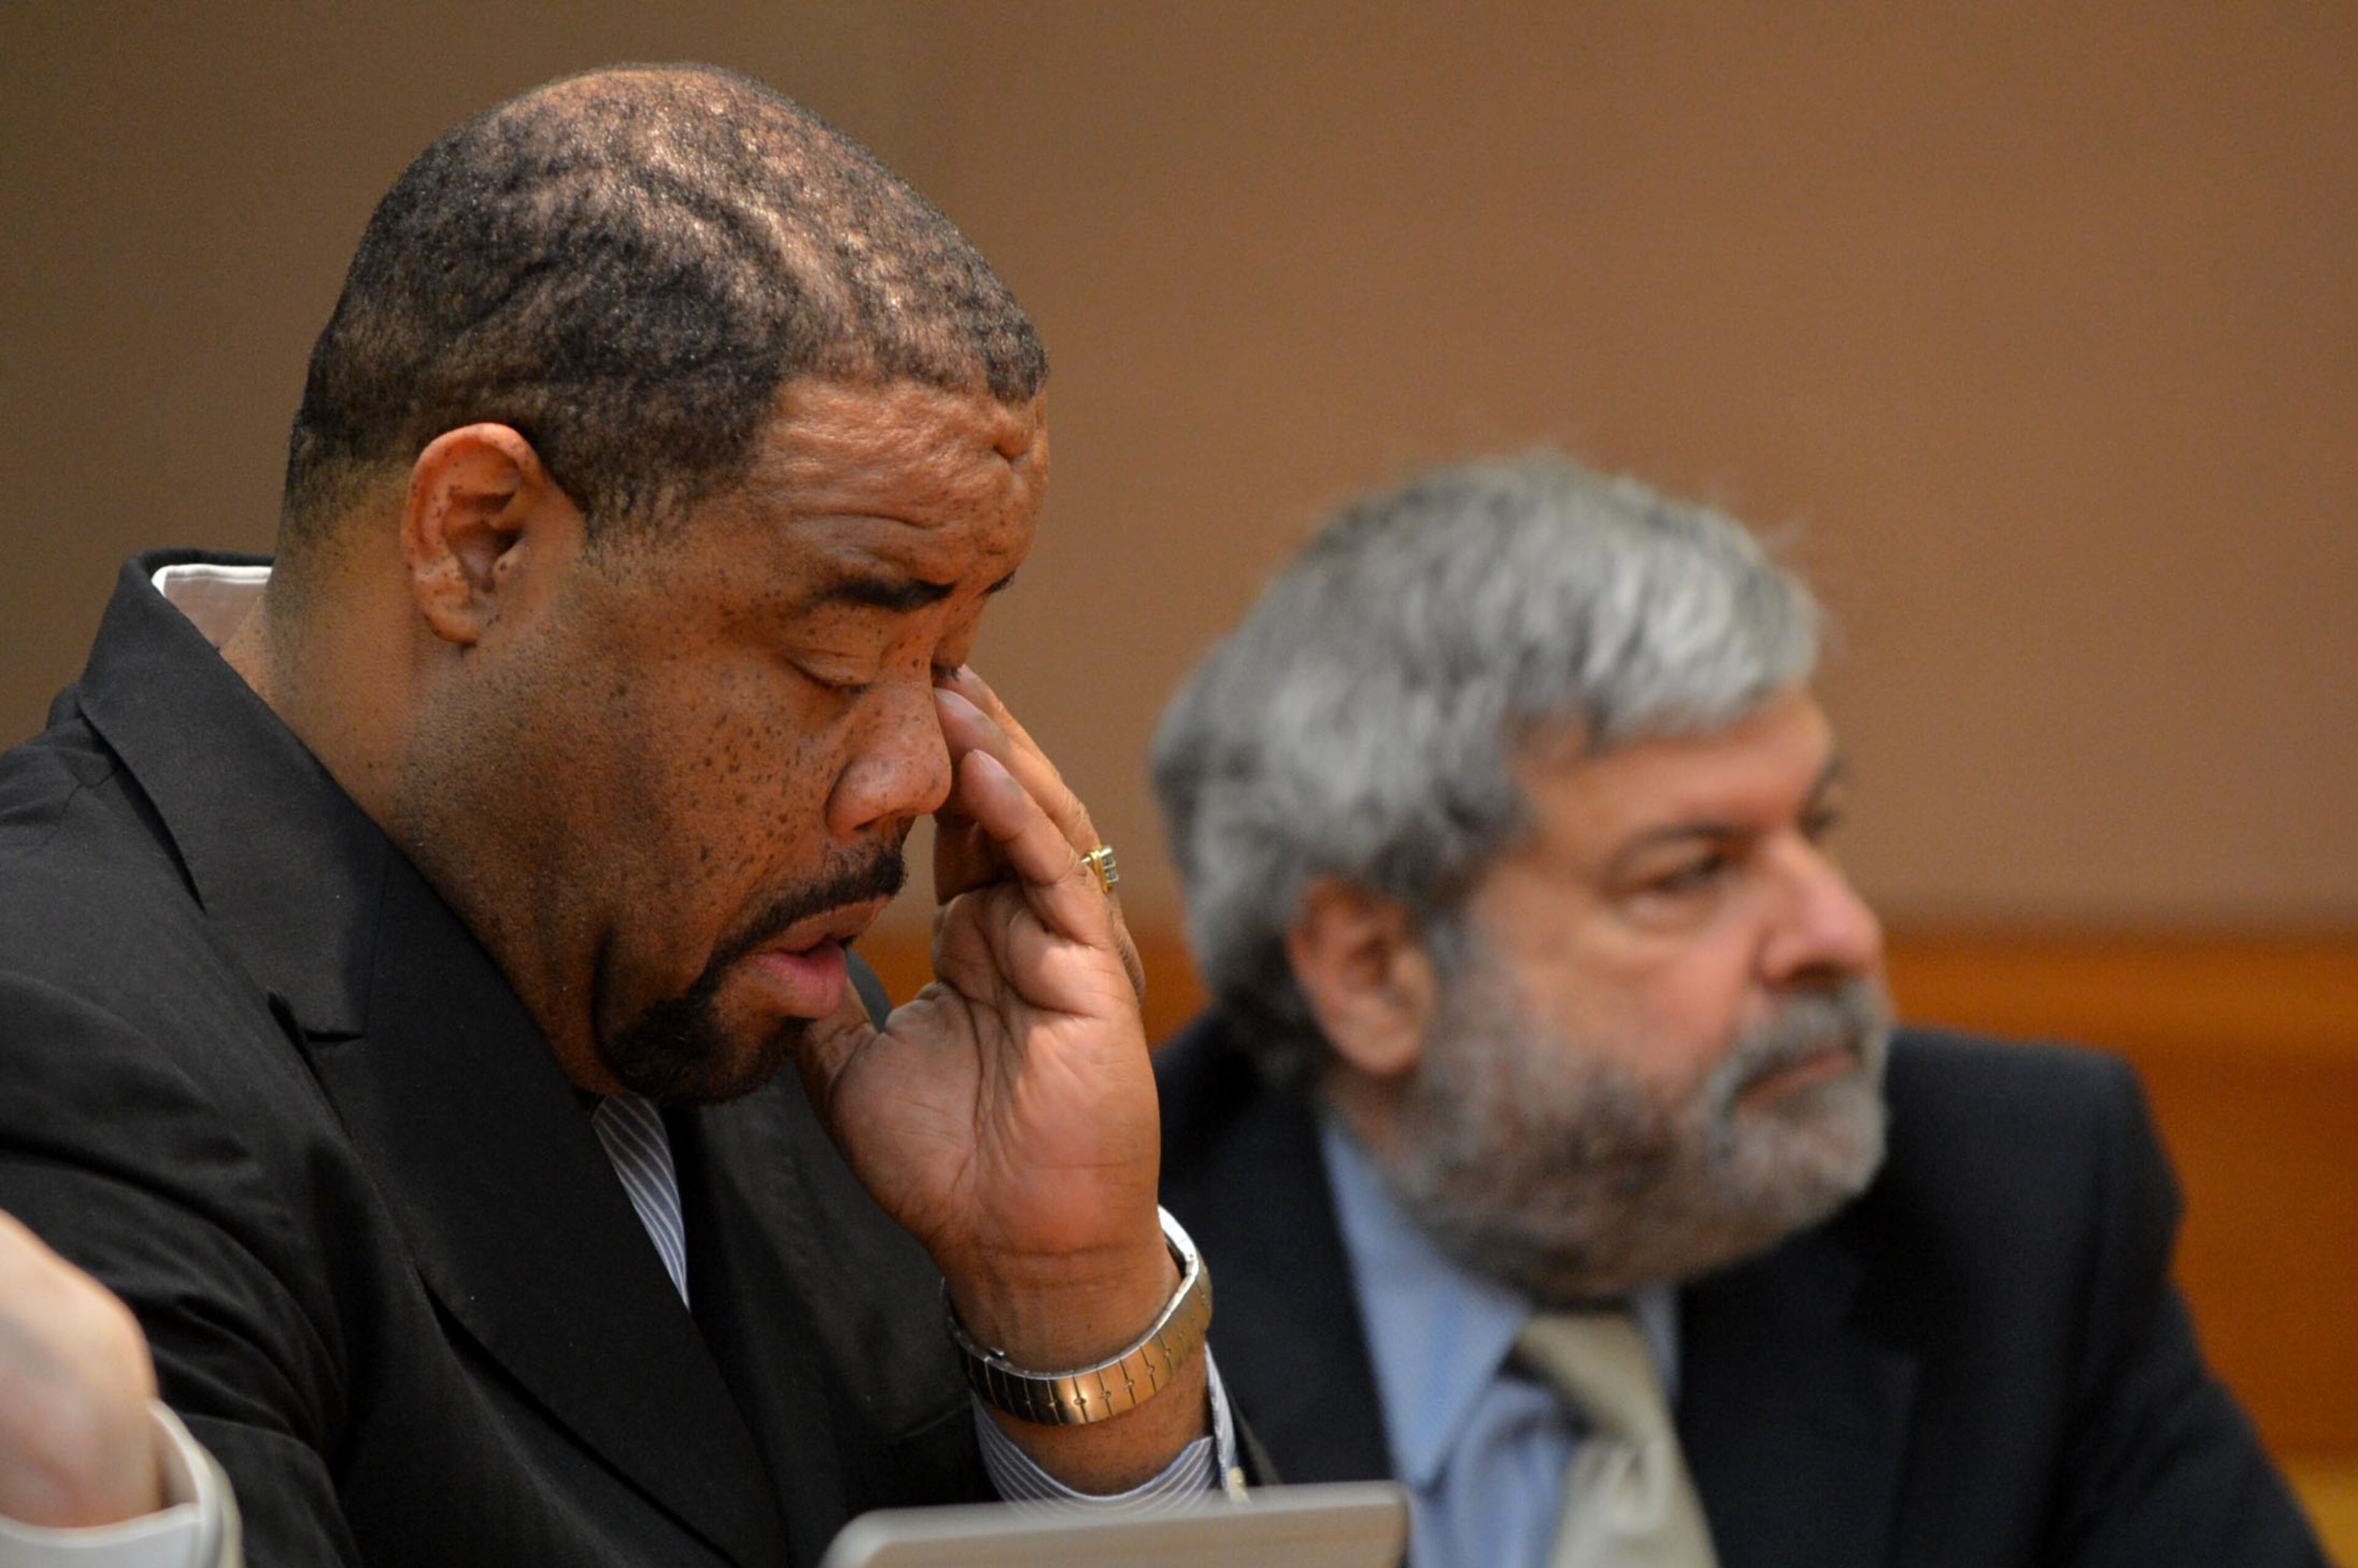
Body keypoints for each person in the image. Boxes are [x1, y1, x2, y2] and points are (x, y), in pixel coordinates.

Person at [0, 64, 1238, 1567]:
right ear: (480, 542)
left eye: (952, 661)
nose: (920, 773)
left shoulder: (805, 1022)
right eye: (835, 657)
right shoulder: (60, 1024)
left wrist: (1072, 1312)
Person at [1150, 455, 2326, 1567]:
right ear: (1371, 968)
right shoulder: (1089, 1300)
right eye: (1691, 872)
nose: (1841, 934)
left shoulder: (2016, 1213)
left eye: (1815, 830)